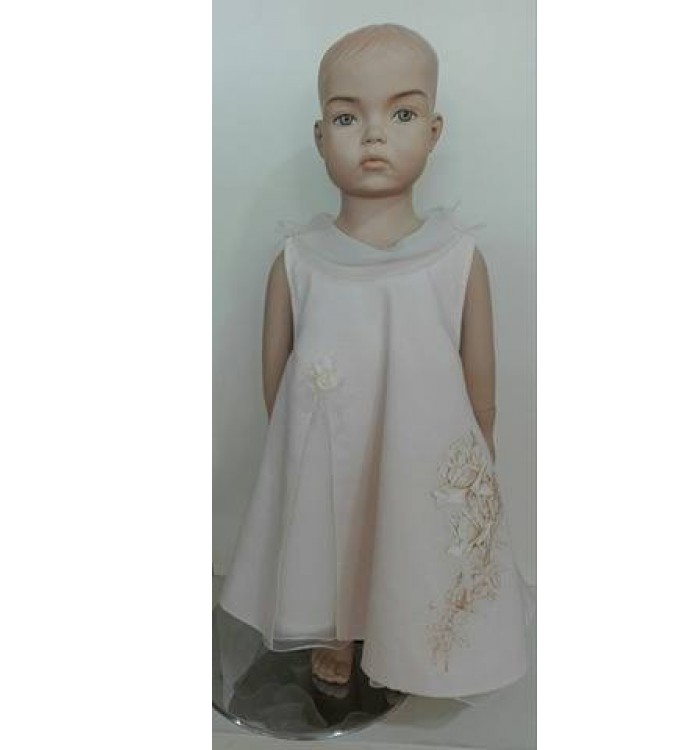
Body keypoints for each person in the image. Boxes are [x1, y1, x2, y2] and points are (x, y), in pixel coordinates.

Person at [219, 23, 534, 702]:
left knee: (410, 539)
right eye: (346, 117)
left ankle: (402, 638)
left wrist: (482, 445)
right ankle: (335, 628)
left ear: (434, 130)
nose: (373, 135)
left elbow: (481, 375)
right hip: (327, 446)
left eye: (402, 114)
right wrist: (294, 445)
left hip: (422, 446)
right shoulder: (298, 260)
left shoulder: (457, 257)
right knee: (334, 532)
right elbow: (274, 372)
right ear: (319, 136)